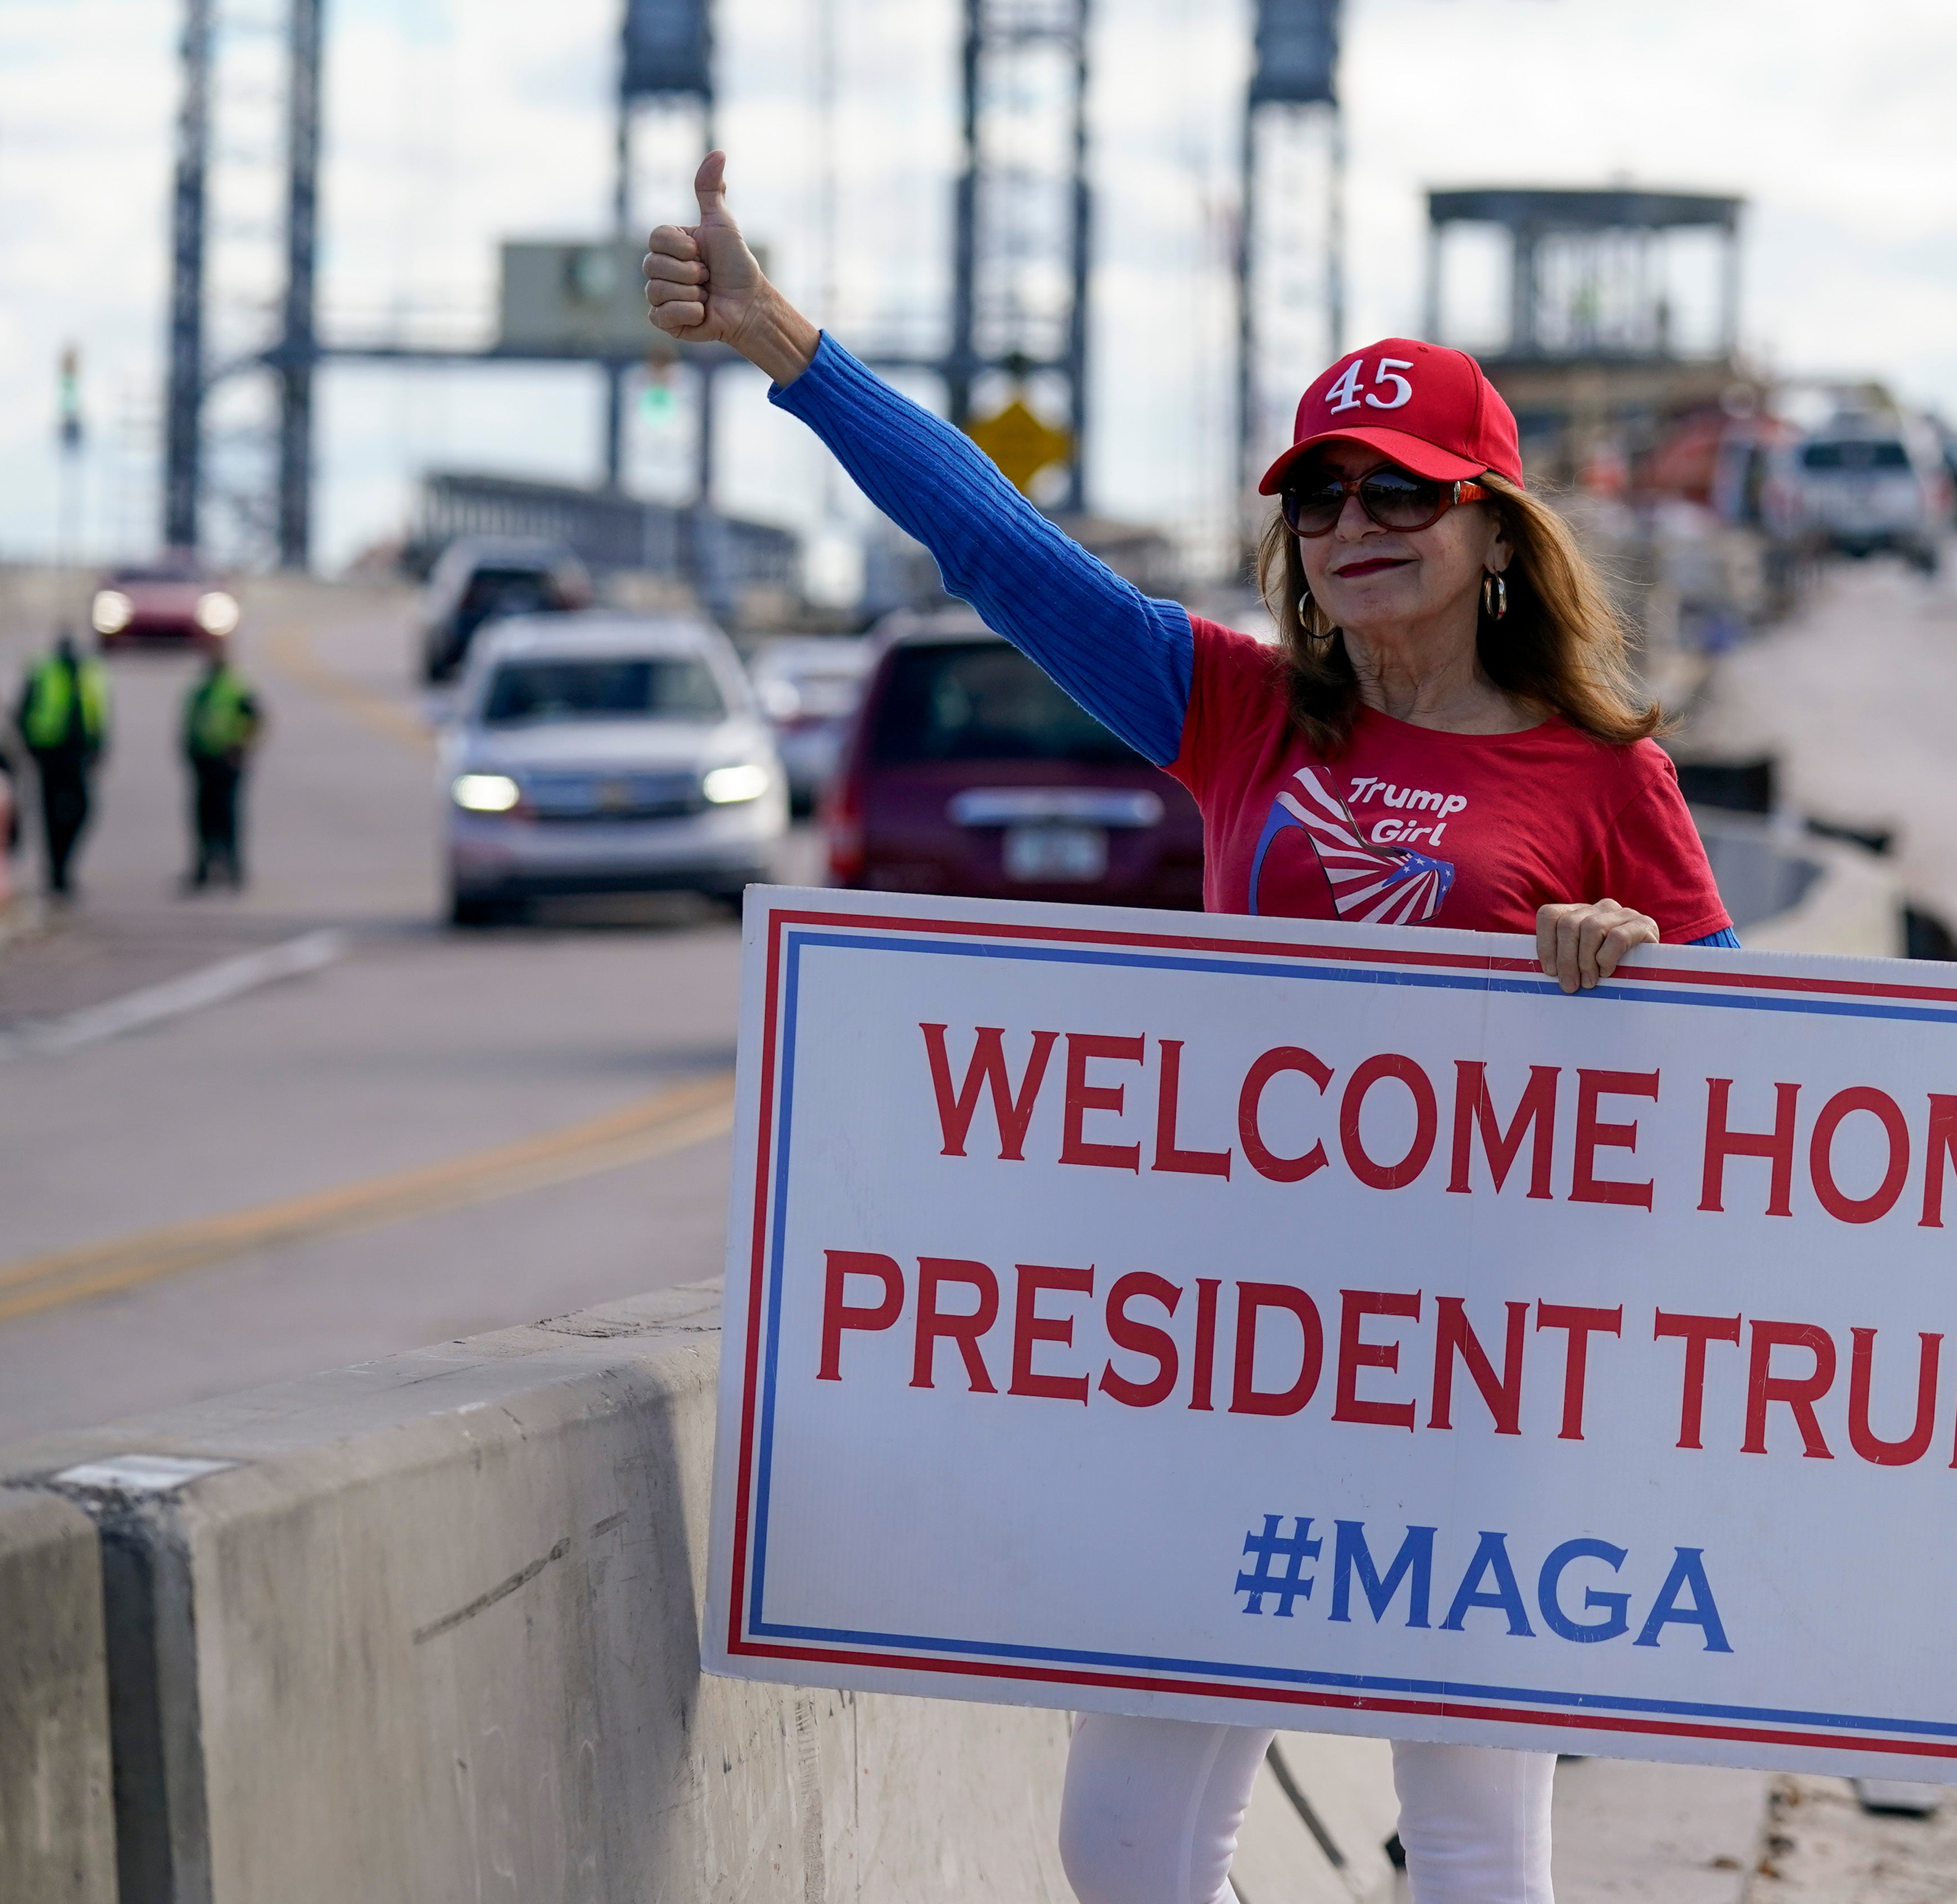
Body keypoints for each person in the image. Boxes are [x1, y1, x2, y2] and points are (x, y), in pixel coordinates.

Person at [646, 150, 1739, 1904]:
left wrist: (1642, 965)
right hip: (1239, 1364)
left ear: (1492, 531)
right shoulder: (1238, 713)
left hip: (1478, 1376)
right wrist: (783, 338)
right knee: (1127, 1849)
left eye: (1401, 489)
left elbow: (1768, 1081)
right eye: (1319, 496)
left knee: (1473, 1847)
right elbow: (998, 548)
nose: (1354, 522)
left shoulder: (1605, 777)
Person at [14, 633, 109, 900]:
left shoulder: (91, 673)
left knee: (81, 810)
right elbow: (23, 711)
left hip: (78, 755)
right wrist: (30, 747)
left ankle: (63, 865)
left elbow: (98, 712)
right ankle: (57, 872)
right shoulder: (43, 671)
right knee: (51, 816)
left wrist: (99, 747)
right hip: (49, 754)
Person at [181, 631, 263, 890]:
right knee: (203, 817)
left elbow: (255, 720)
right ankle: (203, 868)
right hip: (203, 760)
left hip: (227, 760)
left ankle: (233, 867)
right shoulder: (202, 689)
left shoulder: (236, 687)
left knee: (227, 815)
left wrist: (241, 748)